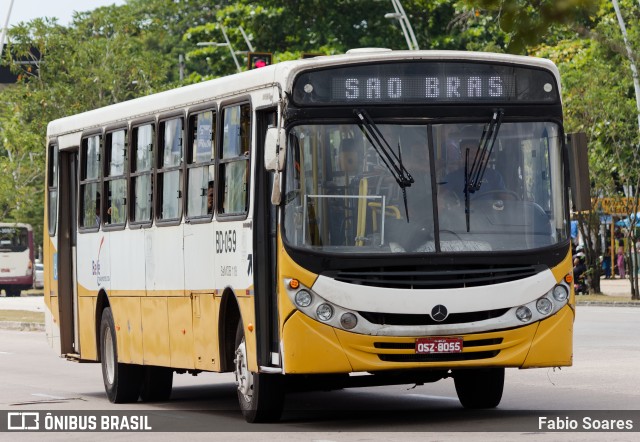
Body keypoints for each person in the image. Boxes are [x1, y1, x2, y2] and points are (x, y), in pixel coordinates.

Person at [438, 129, 506, 199]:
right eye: (466, 152)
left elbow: (505, 198)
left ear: (479, 154)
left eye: (473, 152)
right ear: (461, 156)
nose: (470, 155)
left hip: (489, 209)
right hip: (464, 210)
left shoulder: (494, 175)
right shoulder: (452, 177)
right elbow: (441, 198)